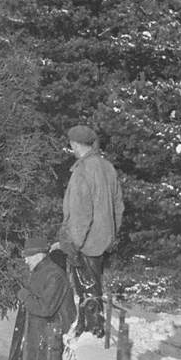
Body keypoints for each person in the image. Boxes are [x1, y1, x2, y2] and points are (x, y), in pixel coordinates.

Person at [55, 124, 123, 338]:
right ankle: (89, 326)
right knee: (94, 287)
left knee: (87, 289)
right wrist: (111, 234)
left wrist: (73, 243)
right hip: (102, 240)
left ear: (76, 144)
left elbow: (80, 212)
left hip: (84, 242)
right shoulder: (107, 168)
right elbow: (118, 206)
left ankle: (92, 330)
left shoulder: (82, 171)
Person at [2, 236, 76, 360]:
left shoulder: (54, 275)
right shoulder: (42, 272)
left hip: (50, 332)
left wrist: (24, 295)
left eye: (29, 256)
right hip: (41, 329)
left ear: (39, 255)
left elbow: (45, 308)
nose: (26, 260)